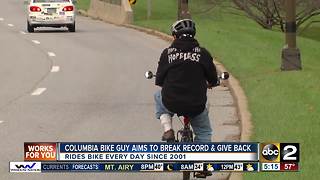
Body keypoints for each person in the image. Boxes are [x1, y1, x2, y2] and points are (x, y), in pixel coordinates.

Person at [154, 19, 219, 143]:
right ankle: (200, 159)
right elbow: (213, 79)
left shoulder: (167, 53)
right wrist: (211, 83)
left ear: (174, 36)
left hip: (171, 103)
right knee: (204, 133)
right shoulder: (203, 54)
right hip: (196, 105)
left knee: (158, 95)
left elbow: (159, 81)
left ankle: (168, 129)